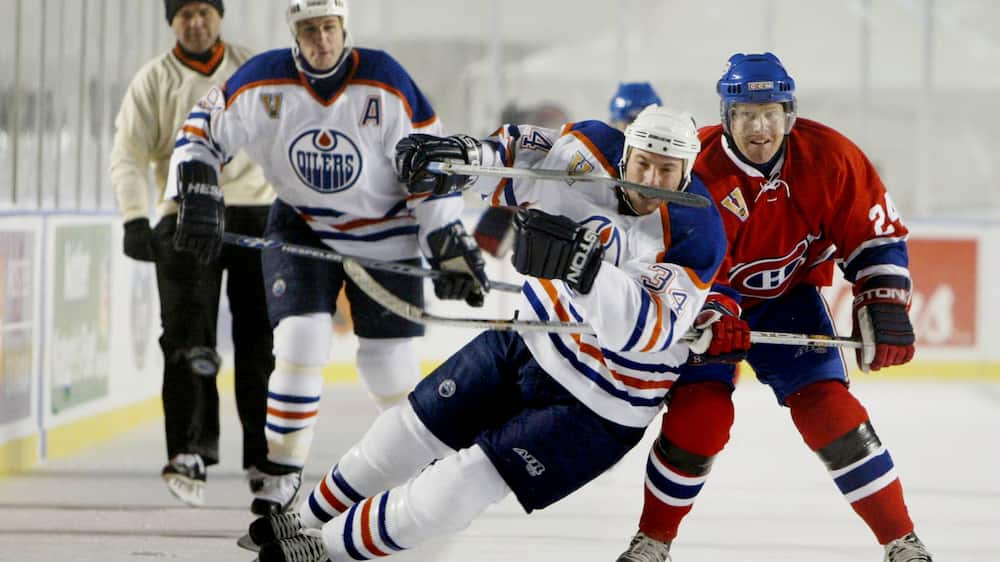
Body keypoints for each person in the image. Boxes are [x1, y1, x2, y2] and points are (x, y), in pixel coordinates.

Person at [241, 105, 729, 562]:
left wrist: (585, 271)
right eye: (644, 164)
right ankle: (303, 518)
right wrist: (464, 160)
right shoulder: (587, 147)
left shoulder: (698, 231)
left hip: (602, 402)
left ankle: (324, 548)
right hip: (530, 341)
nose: (653, 181)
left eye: (668, 170)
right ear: (626, 153)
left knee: (455, 489)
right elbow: (520, 154)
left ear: (687, 171)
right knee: (406, 429)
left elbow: (646, 331)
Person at [164, 0, 487, 516]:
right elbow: (199, 131)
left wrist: (443, 238)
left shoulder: (385, 80)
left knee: (388, 366)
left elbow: (432, 165)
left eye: (329, 27)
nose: (321, 39)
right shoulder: (262, 81)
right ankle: (282, 471)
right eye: (309, 29)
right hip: (303, 227)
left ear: (344, 28)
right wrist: (197, 183)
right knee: (300, 343)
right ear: (295, 33)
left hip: (387, 232)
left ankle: (427, 464)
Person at [615, 53, 931, 562]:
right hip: (707, 300)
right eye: (745, 115)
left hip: (790, 300)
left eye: (771, 113)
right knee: (701, 418)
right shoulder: (697, 168)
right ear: (726, 114)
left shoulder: (831, 157)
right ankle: (653, 541)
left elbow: (874, 237)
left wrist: (883, 300)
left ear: (790, 112)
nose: (759, 128)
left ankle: (903, 542)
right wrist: (712, 313)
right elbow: (680, 257)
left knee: (833, 414)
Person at [109, 0, 275, 507]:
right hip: (182, 217)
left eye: (205, 10)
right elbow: (128, 156)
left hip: (254, 213)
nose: (196, 22)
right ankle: (189, 450)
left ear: (219, 16)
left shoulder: (252, 70)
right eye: (185, 14)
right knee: (187, 340)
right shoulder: (153, 80)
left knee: (259, 342)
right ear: (172, 21)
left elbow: (284, 138)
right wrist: (136, 216)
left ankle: (263, 456)